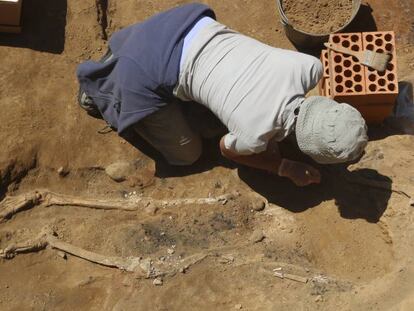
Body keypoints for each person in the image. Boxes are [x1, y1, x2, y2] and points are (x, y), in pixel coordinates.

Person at [77, 3, 368, 187]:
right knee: (187, 154)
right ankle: (103, 87)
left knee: (209, 113)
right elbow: (227, 149)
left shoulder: (309, 67)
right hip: (141, 74)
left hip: (186, 24)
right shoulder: (254, 134)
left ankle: (133, 53)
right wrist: (283, 166)